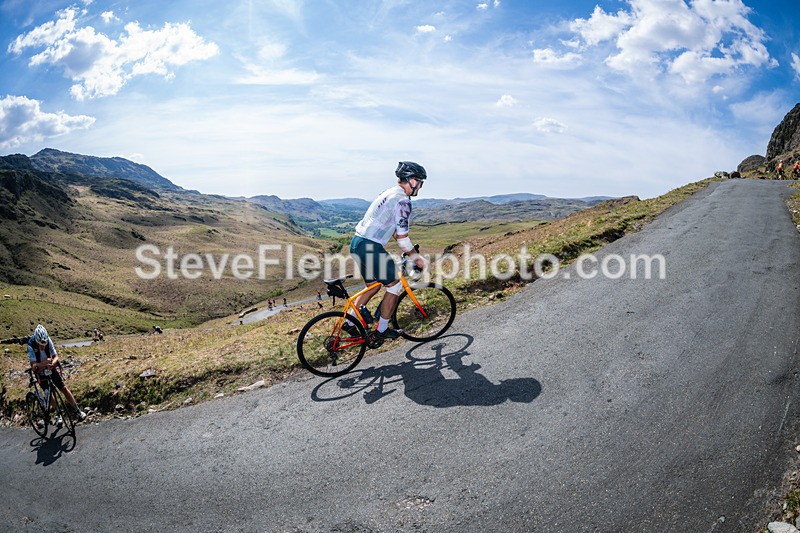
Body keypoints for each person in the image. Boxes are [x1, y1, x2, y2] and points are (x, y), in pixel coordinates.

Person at [347, 161, 429, 339]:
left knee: (373, 286)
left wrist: (410, 251)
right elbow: (402, 239)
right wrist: (417, 258)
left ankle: (349, 322)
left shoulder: (389, 192)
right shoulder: (402, 201)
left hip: (357, 242)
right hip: (370, 246)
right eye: (420, 183)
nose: (420, 187)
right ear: (412, 181)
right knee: (395, 285)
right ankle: (382, 330)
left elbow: (393, 229)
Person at [28, 325, 87, 421]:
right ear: (36, 340)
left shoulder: (47, 339)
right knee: (48, 392)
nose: (42, 347)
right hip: (40, 371)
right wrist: (44, 363)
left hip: (50, 368)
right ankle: (58, 414)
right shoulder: (31, 345)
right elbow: (34, 366)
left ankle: (78, 411)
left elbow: (56, 356)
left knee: (63, 388)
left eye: (44, 344)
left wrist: (53, 364)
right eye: (40, 345)